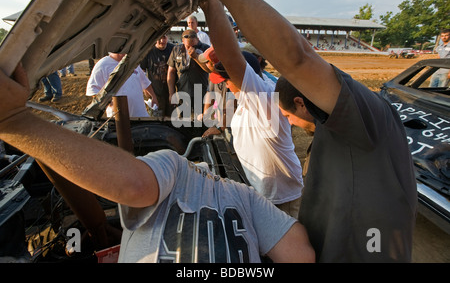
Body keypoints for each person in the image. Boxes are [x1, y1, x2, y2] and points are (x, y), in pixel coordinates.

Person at [159, 0, 417, 262]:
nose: (289, 122)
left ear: (301, 102)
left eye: (290, 115)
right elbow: (229, 67)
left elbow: (296, 58)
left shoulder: (368, 117)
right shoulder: (337, 130)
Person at [0, 64, 315, 263]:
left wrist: (14, 122)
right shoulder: (246, 196)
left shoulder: (172, 165)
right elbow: (300, 253)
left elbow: (134, 184)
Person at [195, 0, 304, 218]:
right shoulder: (246, 99)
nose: (225, 84)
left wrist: (211, 5)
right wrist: (220, 126)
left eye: (228, 80)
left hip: (284, 200)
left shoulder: (264, 97)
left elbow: (235, 65)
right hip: (264, 194)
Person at [86, 53, 158, 118]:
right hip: (118, 118)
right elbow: (93, 90)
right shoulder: (102, 64)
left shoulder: (132, 62)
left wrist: (153, 96)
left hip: (140, 115)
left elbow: (145, 81)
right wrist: (109, 104)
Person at [167, 29, 210, 116]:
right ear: (182, 41)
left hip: (199, 89)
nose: (191, 48)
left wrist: (196, 57)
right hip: (182, 89)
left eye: (193, 45)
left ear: (197, 40)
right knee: (183, 120)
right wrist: (171, 93)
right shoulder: (176, 50)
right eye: (188, 46)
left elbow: (209, 70)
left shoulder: (205, 49)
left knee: (199, 121)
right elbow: (171, 72)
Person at [140, 35, 174, 117]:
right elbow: (142, 72)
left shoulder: (173, 49)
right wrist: (145, 89)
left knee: (172, 119)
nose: (162, 41)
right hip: (156, 92)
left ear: (167, 37)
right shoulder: (148, 51)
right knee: (157, 118)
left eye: (164, 38)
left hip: (172, 91)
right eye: (159, 38)